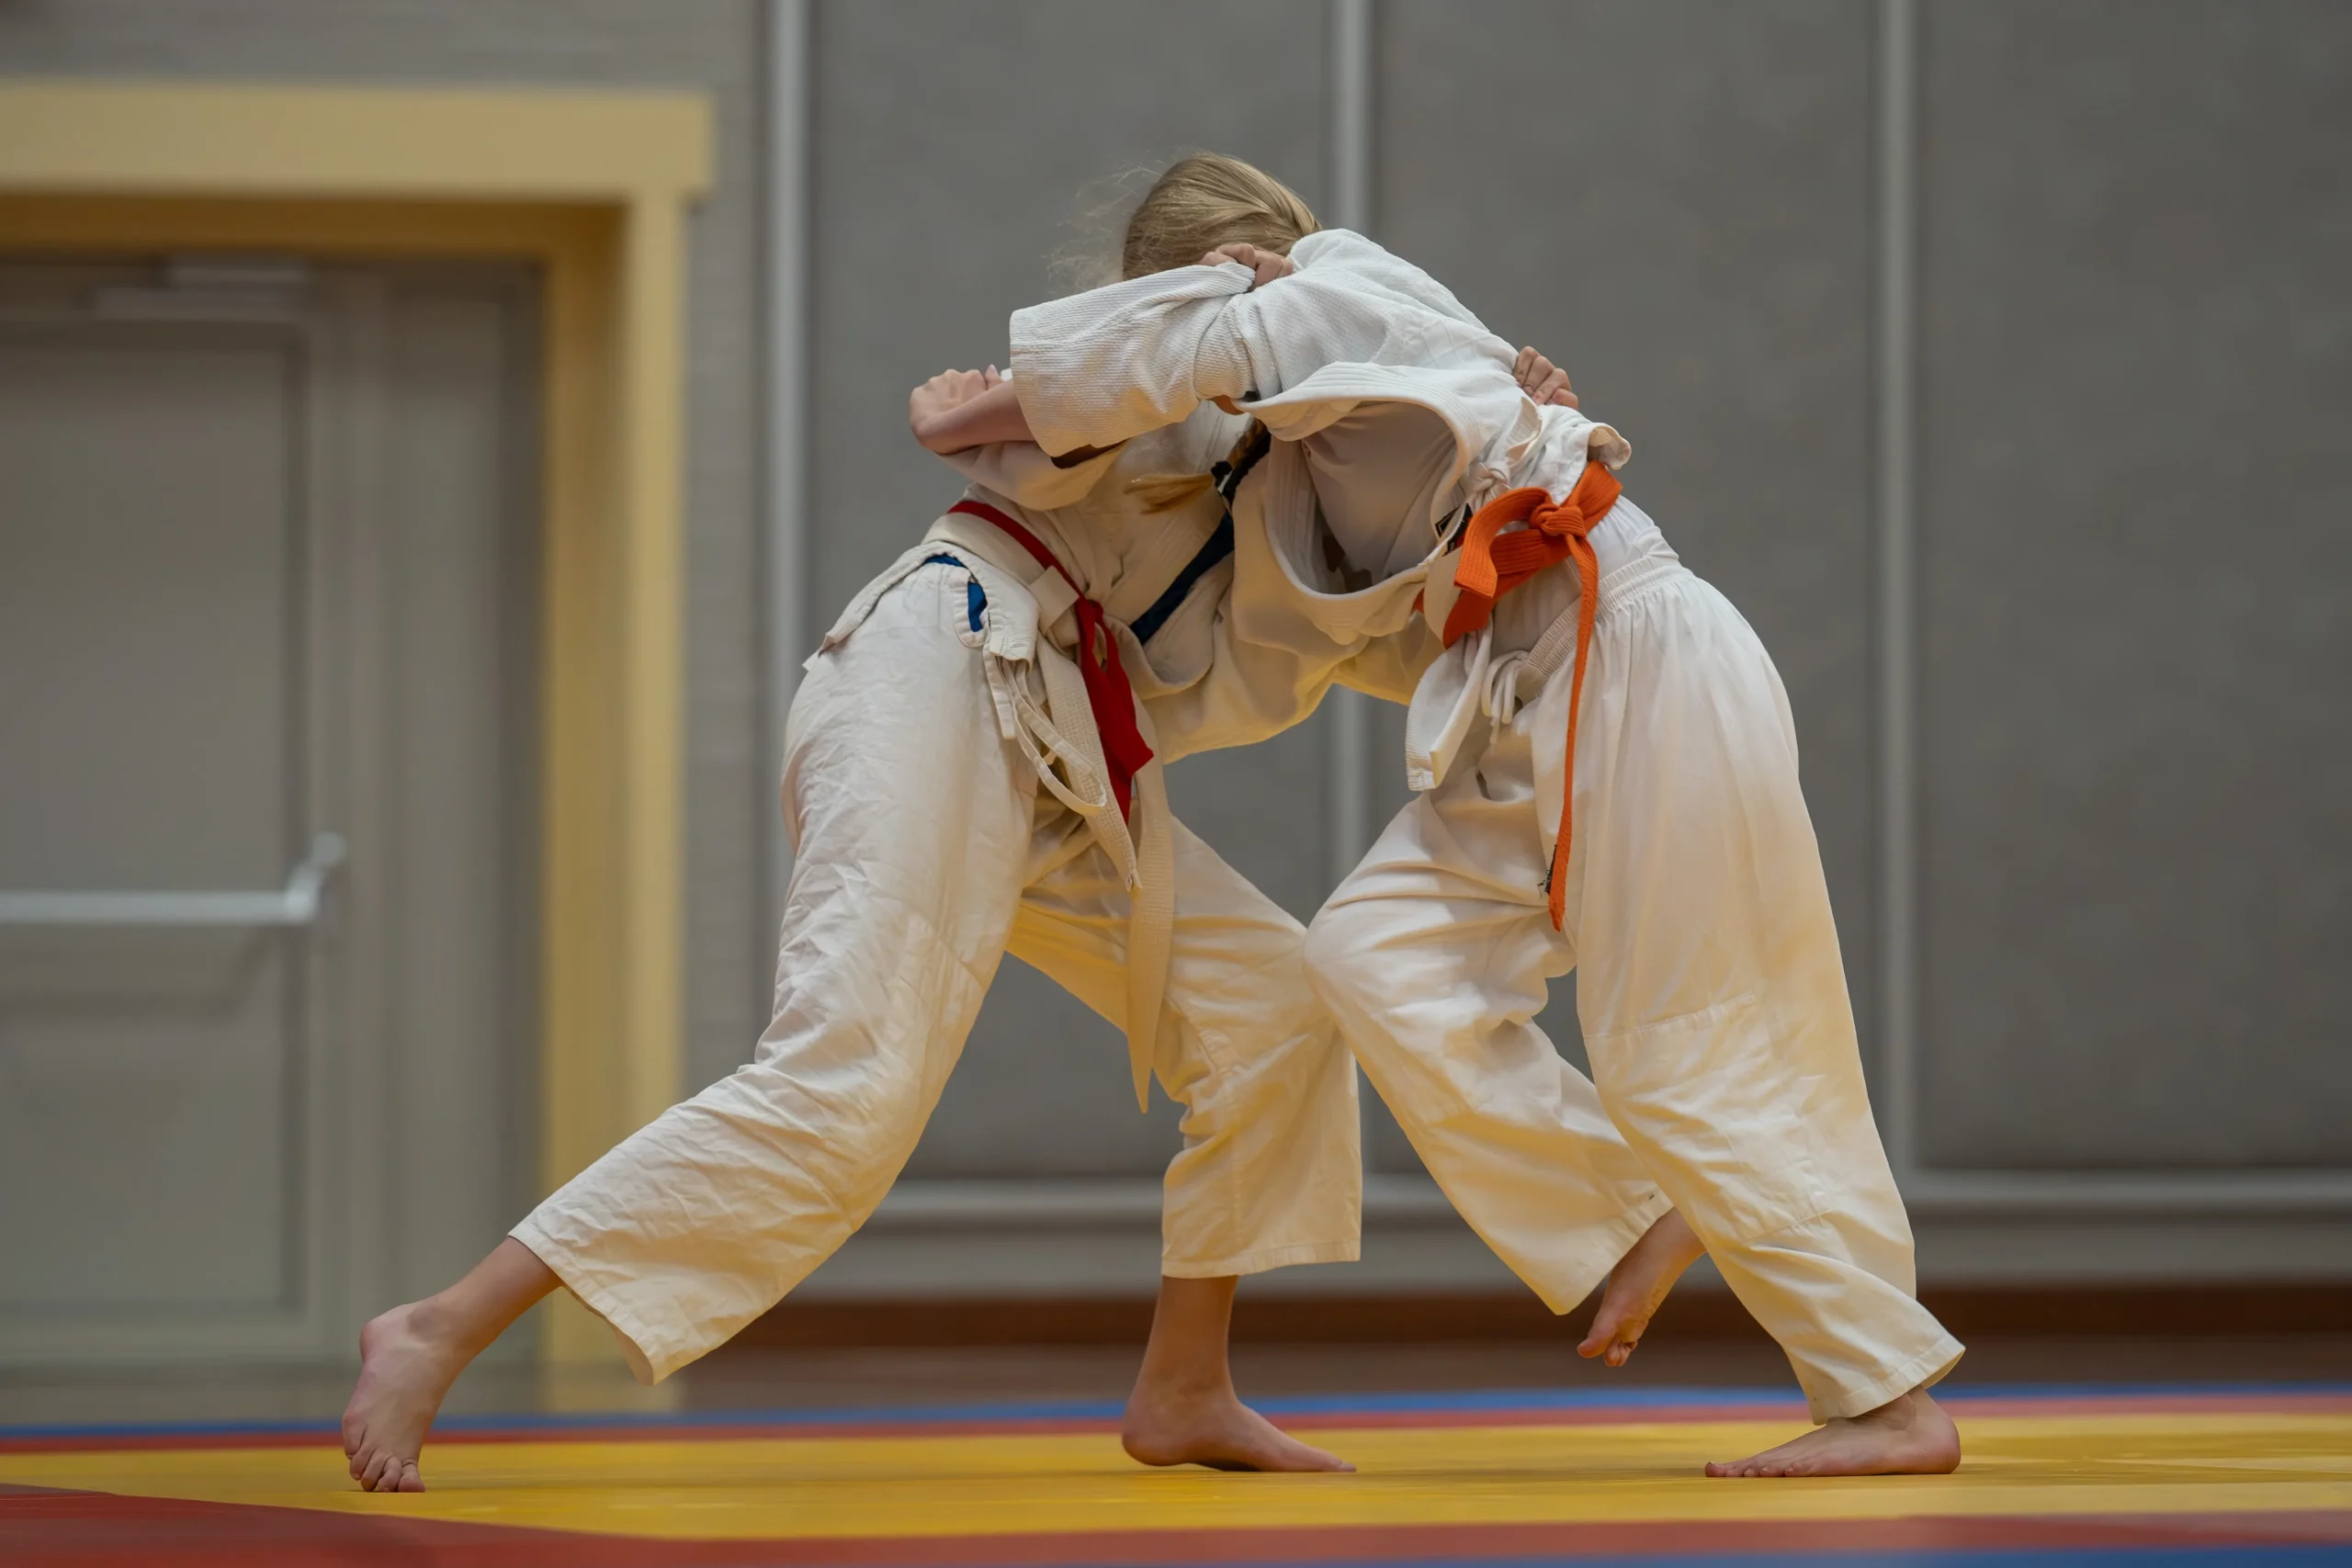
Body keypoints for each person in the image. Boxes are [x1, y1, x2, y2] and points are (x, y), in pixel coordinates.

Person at [339, 154, 1600, 1495]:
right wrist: (1151, 353)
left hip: (1064, 744)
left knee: (1277, 1014)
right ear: (1177, 289)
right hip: (946, 666)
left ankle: (1184, 1383)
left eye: (1282, 280)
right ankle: (438, 1324)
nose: (1272, 307)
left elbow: (1420, 627)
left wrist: (1491, 443)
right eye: (1238, 283)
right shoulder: (1142, 393)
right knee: (845, 1084)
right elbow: (964, 418)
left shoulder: (1322, 458)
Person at [957, 159, 1967, 1479]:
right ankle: (1638, 1207)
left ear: (1223, 274)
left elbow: (1125, 372)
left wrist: (981, 403)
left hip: (1633, 655)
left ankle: (1884, 1390)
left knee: (1681, 1046)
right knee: (1371, 954)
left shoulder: (1332, 290)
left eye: (1169, 302)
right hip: (1527, 689)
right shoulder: (1318, 408)